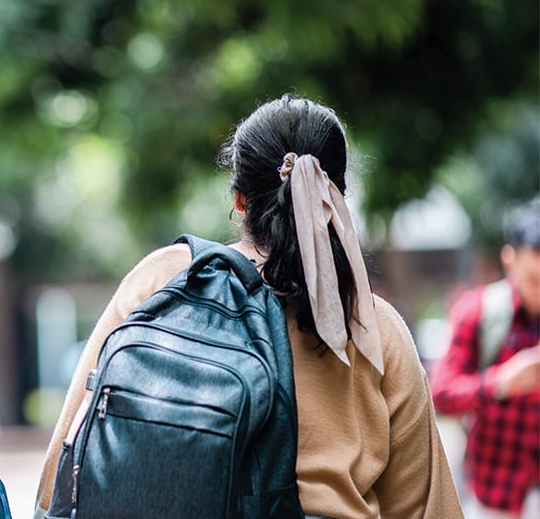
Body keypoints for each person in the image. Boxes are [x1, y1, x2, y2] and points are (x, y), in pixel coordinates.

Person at [34, 94, 463, 518]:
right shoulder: (372, 324)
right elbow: (424, 504)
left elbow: (65, 464)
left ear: (239, 200)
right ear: (338, 197)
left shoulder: (164, 279)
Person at [431, 202, 540, 518]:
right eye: (534, 279)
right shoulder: (478, 312)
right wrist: (501, 383)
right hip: (493, 499)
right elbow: (442, 393)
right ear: (510, 260)